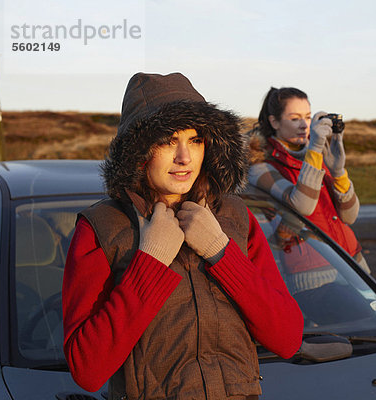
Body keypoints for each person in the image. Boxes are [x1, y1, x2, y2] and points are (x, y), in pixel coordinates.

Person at [62, 73, 303, 400]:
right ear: (138, 150)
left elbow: (287, 338)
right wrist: (150, 262)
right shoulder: (101, 227)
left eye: (195, 140)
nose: (184, 158)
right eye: (167, 141)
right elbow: (88, 370)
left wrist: (221, 252)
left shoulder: (234, 217)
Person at [248, 87, 370, 275]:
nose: (304, 126)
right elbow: (302, 205)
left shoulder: (318, 155)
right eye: (295, 118)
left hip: (354, 260)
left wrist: (338, 173)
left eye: (307, 117)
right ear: (274, 122)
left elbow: (349, 217)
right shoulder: (261, 166)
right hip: (313, 271)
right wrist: (314, 149)